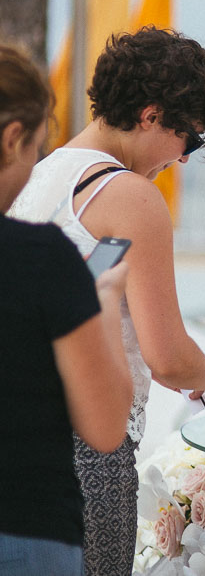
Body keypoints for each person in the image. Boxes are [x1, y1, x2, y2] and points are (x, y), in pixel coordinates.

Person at [9, 27, 205, 575]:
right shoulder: (128, 194)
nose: (182, 158)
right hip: (85, 446)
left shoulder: (36, 175)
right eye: (191, 138)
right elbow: (167, 356)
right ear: (152, 115)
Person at [0, 45, 133, 574]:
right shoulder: (42, 259)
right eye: (35, 149)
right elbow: (104, 427)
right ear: (13, 138)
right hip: (26, 532)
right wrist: (102, 297)